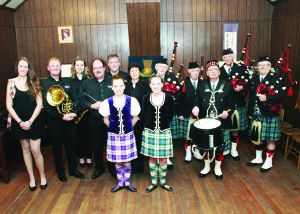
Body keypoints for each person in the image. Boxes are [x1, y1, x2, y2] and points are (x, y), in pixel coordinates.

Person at [6, 57, 47, 191]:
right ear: (17, 67)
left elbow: (39, 104)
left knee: (36, 150)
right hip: (19, 121)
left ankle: (42, 176)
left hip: (34, 120)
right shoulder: (11, 83)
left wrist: (29, 121)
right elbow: (9, 106)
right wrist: (20, 122)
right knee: (26, 149)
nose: (23, 69)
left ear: (28, 68)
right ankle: (31, 178)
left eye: (25, 67)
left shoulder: (34, 82)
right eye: (20, 66)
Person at [41, 57, 84, 182]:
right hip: (55, 122)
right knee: (57, 147)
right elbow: (47, 107)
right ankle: (60, 171)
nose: (55, 68)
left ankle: (73, 169)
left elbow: (75, 98)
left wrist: (74, 112)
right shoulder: (45, 84)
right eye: (52, 66)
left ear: (60, 67)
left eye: (57, 65)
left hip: (70, 119)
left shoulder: (68, 81)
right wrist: (61, 116)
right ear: (48, 68)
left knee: (71, 146)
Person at [192, 60, 234, 180]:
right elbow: (198, 102)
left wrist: (227, 112)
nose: (213, 71)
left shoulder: (227, 86)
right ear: (207, 73)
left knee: (219, 147)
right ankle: (206, 166)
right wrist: (195, 107)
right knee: (205, 145)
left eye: (215, 69)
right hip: (206, 122)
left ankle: (217, 167)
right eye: (211, 70)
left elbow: (232, 106)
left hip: (222, 122)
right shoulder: (201, 86)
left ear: (219, 72)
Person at [99, 74, 140, 193]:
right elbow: (105, 119)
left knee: (127, 160)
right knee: (118, 160)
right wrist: (114, 128)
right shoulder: (108, 102)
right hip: (114, 136)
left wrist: (127, 129)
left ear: (124, 86)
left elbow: (135, 117)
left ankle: (127, 182)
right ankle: (120, 183)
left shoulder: (131, 100)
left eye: (120, 86)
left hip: (127, 135)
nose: (118, 88)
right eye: (115, 86)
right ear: (112, 87)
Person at [78, 58, 116, 179]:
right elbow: (81, 99)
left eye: (100, 67)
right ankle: (99, 167)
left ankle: (112, 167)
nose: (98, 70)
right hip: (95, 121)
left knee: (112, 145)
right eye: (95, 68)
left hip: (112, 120)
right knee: (97, 146)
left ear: (105, 68)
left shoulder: (113, 81)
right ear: (92, 70)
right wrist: (91, 105)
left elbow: (120, 94)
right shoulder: (86, 84)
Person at [247, 56, 285, 172]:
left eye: (265, 65)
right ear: (257, 67)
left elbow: (281, 95)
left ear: (270, 66)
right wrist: (249, 112)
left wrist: (267, 98)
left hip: (270, 113)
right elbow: (251, 97)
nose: (262, 67)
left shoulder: (276, 78)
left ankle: (269, 161)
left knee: (270, 139)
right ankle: (258, 158)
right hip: (256, 112)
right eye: (260, 65)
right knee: (257, 137)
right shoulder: (254, 78)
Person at [141, 75, 175, 193]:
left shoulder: (169, 98)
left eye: (158, 83)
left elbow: (171, 115)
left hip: (164, 131)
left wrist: (162, 125)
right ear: (150, 85)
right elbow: (144, 114)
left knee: (163, 159)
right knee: (152, 158)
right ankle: (154, 183)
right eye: (153, 84)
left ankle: (163, 182)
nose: (156, 86)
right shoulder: (145, 98)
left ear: (162, 84)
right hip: (149, 131)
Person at [219, 48, 249, 160]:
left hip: (237, 102)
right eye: (225, 57)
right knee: (226, 127)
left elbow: (248, 82)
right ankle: (226, 149)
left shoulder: (241, 68)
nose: (227, 58)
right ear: (223, 59)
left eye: (229, 56)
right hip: (225, 103)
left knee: (235, 129)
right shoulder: (220, 70)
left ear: (233, 57)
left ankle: (234, 150)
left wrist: (242, 87)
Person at [124, 62, 151, 174]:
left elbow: (147, 102)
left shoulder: (145, 86)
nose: (134, 73)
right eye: (132, 70)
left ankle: (139, 165)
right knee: (129, 141)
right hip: (128, 119)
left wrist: (139, 116)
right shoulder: (125, 86)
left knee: (139, 141)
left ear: (140, 73)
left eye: (136, 70)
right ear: (129, 73)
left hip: (141, 119)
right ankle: (129, 163)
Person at [155, 57, 180, 170]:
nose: (162, 68)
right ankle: (156, 157)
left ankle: (167, 157)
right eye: (160, 66)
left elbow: (179, 92)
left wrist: (173, 100)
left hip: (169, 111)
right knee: (157, 136)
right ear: (155, 67)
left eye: (164, 67)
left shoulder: (173, 77)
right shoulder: (152, 79)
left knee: (167, 136)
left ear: (167, 68)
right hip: (156, 111)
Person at [177, 61, 204, 164]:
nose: (195, 73)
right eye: (193, 71)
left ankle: (197, 152)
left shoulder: (203, 83)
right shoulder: (183, 83)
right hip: (186, 113)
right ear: (189, 72)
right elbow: (177, 100)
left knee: (198, 135)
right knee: (187, 136)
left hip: (200, 114)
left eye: (197, 71)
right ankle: (188, 153)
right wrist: (179, 113)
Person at [70, 56, 92, 168]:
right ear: (74, 67)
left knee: (87, 135)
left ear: (85, 67)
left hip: (87, 112)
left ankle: (88, 157)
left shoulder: (88, 80)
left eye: (82, 65)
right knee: (78, 136)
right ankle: (81, 158)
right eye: (77, 65)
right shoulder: (70, 81)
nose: (79, 67)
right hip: (75, 113)